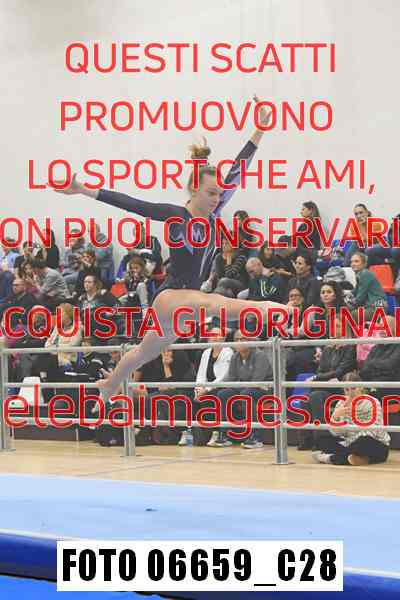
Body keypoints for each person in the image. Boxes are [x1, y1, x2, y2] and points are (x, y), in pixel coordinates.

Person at [51, 96, 289, 402]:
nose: (217, 198)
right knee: (213, 303)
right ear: (194, 189)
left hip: (185, 309)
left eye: (219, 194)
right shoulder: (177, 216)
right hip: (171, 297)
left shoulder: (213, 214)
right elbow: (133, 204)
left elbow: (238, 170)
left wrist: (260, 129)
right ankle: (267, 308)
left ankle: (110, 384)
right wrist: (84, 189)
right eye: (211, 193)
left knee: (143, 352)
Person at [312, 372, 390, 465]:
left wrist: (350, 444)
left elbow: (373, 431)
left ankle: (331, 458)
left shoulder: (372, 402)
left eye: (353, 388)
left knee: (364, 440)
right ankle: (357, 458)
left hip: (374, 443)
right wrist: (336, 417)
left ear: (361, 387)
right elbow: (336, 433)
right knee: (321, 439)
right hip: (349, 443)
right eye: (347, 389)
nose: (350, 392)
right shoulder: (341, 403)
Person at [350, 252, 387, 320]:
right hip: (370, 307)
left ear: (364, 264)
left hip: (377, 308)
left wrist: (347, 303)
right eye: (351, 262)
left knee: (351, 314)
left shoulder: (365, 274)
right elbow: (354, 292)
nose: (353, 264)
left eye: (356, 261)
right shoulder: (360, 275)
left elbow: (359, 299)